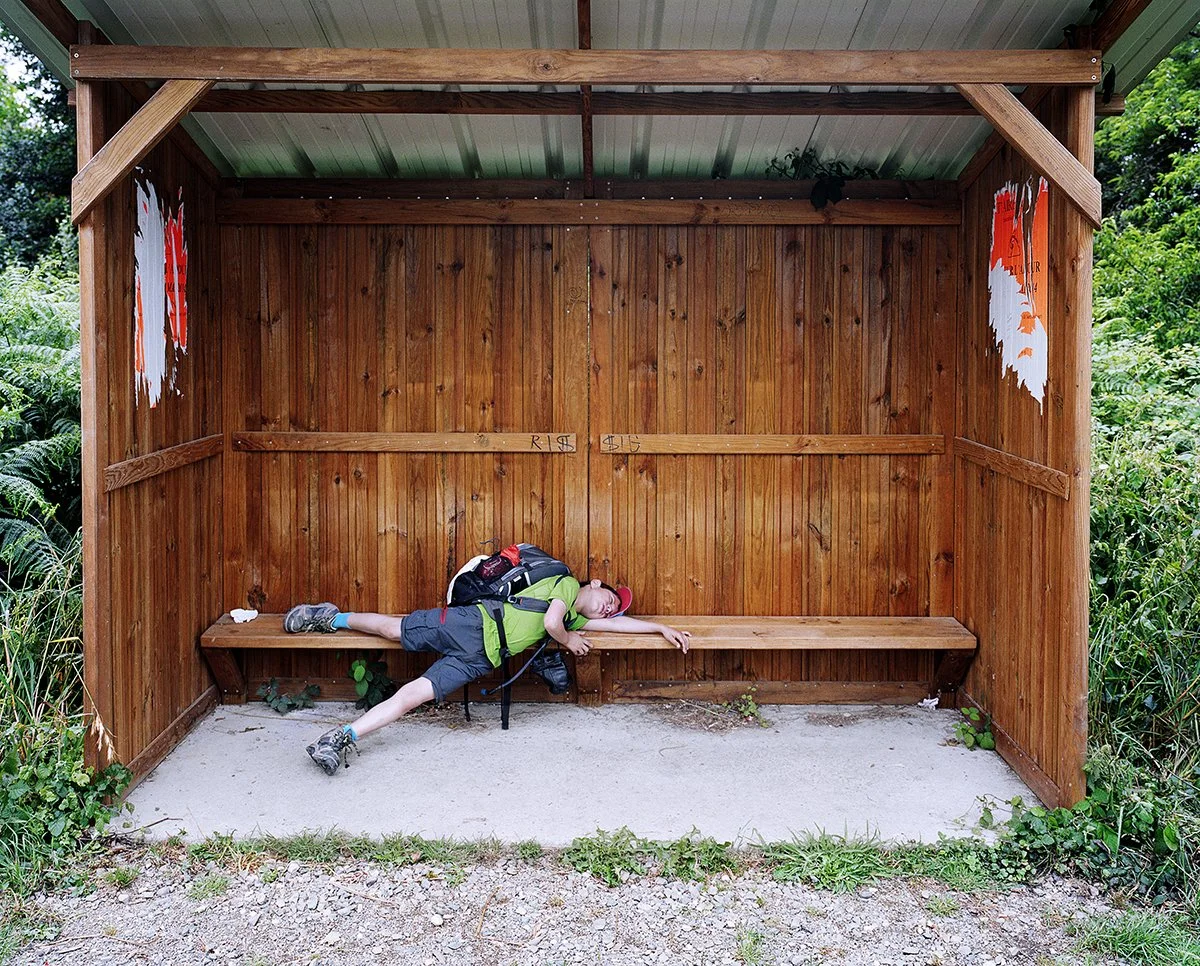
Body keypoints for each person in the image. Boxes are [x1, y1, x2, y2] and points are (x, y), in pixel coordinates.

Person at [284, 574, 691, 775]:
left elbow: (617, 626)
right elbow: (551, 623)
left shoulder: (575, 617)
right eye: (609, 598)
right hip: (471, 623)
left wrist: (659, 628)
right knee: (394, 629)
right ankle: (329, 616)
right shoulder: (566, 585)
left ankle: (340, 738)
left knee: (414, 694)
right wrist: (567, 640)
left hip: (482, 657)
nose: (608, 608)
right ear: (596, 583)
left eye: (614, 607)